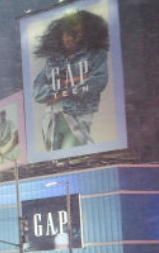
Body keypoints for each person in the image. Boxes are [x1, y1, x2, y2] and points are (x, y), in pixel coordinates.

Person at [31, 9, 110, 151]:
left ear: (86, 34)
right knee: (54, 164)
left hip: (77, 117)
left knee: (72, 156)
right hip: (51, 120)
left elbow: (98, 81)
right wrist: (69, 82)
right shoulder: (53, 60)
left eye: (76, 33)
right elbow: (37, 93)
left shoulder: (96, 55)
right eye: (67, 32)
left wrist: (60, 93)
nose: (70, 38)